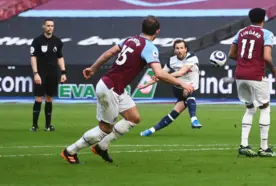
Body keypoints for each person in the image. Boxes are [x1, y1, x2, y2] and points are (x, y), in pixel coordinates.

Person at [61, 16, 194, 164]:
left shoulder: (130, 39)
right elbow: (159, 73)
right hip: (110, 88)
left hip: (115, 87)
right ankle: (70, 151)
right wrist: (182, 84)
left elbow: (108, 53)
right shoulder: (149, 47)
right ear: (157, 31)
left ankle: (101, 147)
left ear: (141, 28)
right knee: (104, 129)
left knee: (133, 118)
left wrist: (93, 68)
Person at [229, 8, 276, 158]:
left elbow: (231, 54)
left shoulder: (241, 32)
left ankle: (244, 144)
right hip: (256, 75)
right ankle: (264, 147)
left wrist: (245, 62)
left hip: (240, 74)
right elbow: (266, 56)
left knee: (250, 108)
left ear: (249, 18)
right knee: (265, 107)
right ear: (263, 19)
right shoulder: (266, 34)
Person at [138, 39, 202, 136]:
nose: (179, 50)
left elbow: (181, 72)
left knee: (174, 113)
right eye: (177, 48)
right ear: (174, 50)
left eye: (181, 48)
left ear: (186, 49)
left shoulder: (192, 57)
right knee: (188, 90)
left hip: (188, 89)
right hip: (179, 89)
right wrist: (146, 84)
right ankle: (194, 119)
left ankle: (150, 130)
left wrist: (166, 76)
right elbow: (160, 74)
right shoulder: (172, 61)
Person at [30, 19, 66, 132]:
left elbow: (60, 57)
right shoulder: (37, 41)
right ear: (43, 27)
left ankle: (48, 125)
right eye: (48, 25)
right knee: (39, 98)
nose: (50, 27)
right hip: (40, 73)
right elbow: (33, 57)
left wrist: (63, 72)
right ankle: (35, 125)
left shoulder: (57, 41)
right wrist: (36, 73)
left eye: (52, 26)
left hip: (53, 73)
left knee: (50, 98)